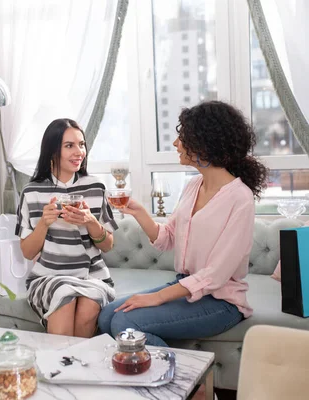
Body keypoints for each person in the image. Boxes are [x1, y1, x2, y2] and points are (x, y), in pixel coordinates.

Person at [98, 101, 268, 346]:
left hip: (221, 302)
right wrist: (139, 212)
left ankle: (183, 383)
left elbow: (216, 275)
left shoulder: (239, 198)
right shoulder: (192, 186)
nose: (176, 144)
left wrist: (157, 297)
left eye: (182, 137)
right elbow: (167, 238)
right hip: (185, 288)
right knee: (106, 316)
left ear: (204, 142)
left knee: (125, 323)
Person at [16, 118, 118, 337]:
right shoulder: (32, 192)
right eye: (69, 145)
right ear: (52, 150)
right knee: (64, 295)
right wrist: (44, 223)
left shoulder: (95, 187)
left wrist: (90, 222)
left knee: (89, 307)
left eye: (81, 145)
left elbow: (108, 246)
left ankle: (78, 370)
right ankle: (58, 368)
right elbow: (28, 252)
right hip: (49, 276)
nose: (79, 152)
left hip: (92, 275)